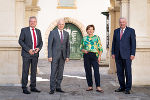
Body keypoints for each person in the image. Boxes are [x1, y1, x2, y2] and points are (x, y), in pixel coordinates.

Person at [18, 16, 43, 94]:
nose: (32, 22)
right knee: (25, 71)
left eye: (34, 21)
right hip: (26, 54)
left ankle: (33, 87)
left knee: (33, 71)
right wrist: (28, 50)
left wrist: (38, 48)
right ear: (29, 22)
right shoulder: (24, 30)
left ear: (36, 23)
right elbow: (20, 41)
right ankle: (24, 87)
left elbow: (41, 42)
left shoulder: (38, 31)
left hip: (35, 54)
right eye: (31, 21)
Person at [112, 17, 136, 94]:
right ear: (119, 23)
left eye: (123, 22)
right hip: (118, 55)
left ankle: (128, 88)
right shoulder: (116, 31)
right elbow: (114, 43)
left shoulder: (131, 31)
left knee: (128, 72)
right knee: (119, 72)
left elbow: (133, 43)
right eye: (120, 22)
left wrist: (132, 53)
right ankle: (122, 87)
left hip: (127, 55)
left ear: (126, 23)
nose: (122, 23)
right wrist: (113, 53)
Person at [48, 19, 70, 94]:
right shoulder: (52, 32)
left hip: (63, 56)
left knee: (60, 72)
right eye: (60, 24)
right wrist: (49, 56)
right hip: (54, 56)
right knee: (53, 72)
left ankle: (58, 87)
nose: (61, 25)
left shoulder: (66, 33)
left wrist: (67, 56)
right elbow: (49, 45)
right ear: (57, 25)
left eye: (62, 24)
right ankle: (52, 88)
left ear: (64, 25)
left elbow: (68, 46)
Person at [80, 25, 104, 93]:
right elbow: (81, 47)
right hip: (86, 55)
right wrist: (83, 50)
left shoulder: (96, 38)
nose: (90, 30)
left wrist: (99, 56)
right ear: (87, 30)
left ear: (93, 30)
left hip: (94, 55)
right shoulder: (84, 38)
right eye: (89, 29)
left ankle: (98, 86)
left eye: (92, 29)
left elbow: (100, 47)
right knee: (88, 71)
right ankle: (90, 86)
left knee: (96, 71)